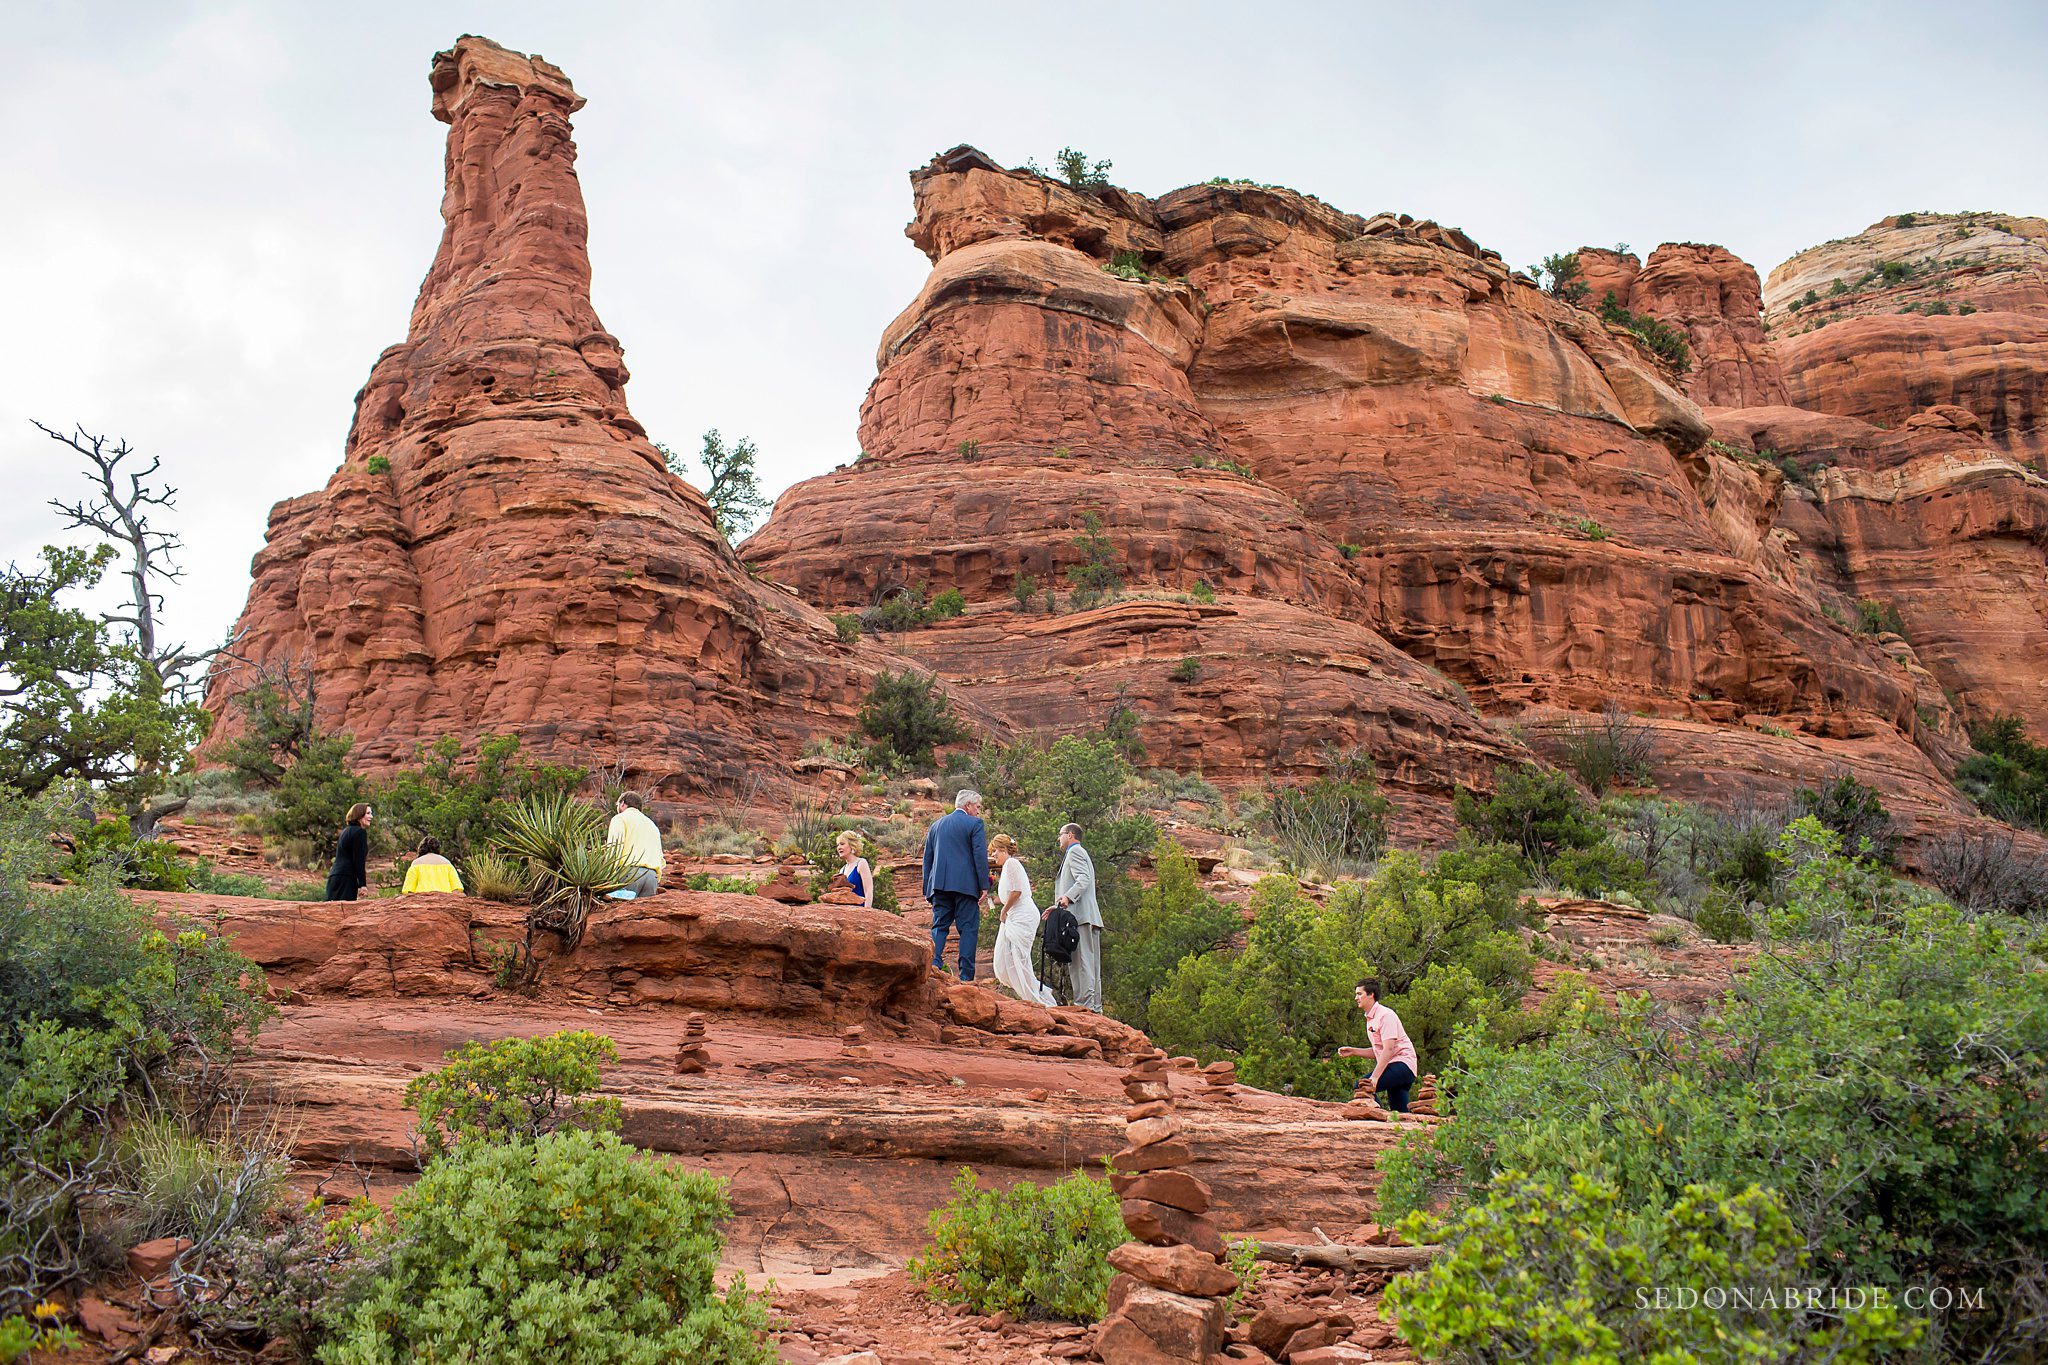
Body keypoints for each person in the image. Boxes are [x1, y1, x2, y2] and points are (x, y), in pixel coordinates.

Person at [922, 789, 989, 980]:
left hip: (940, 886)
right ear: (967, 805)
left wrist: (927, 889)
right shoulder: (974, 824)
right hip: (966, 886)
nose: (978, 811)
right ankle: (966, 977)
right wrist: (984, 885)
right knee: (968, 928)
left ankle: (933, 965)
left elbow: (928, 859)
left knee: (939, 926)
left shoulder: (936, 825)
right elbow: (979, 855)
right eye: (977, 807)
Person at [989, 835, 1056, 1006]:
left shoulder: (1011, 863)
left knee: (1018, 958)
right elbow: (1010, 893)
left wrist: (1004, 911)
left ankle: (1037, 1001)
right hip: (1015, 915)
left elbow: (1017, 891)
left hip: (1022, 915)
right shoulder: (1007, 867)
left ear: (1004, 849)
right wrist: (993, 900)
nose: (993, 854)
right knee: (1006, 959)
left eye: (995, 850)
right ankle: (1032, 997)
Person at [1337, 977, 1419, 1113]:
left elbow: (1389, 1049)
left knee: (1363, 1085)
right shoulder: (1370, 1018)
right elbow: (1378, 1051)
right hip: (1396, 1066)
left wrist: (1374, 1078)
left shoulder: (1385, 1015)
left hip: (1403, 1065)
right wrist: (1354, 1051)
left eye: (1359, 994)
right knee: (1399, 1113)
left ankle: (1376, 1115)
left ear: (1371, 995)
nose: (1356, 998)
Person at [1051, 823, 1104, 1012]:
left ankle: (1085, 1007)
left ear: (1070, 835)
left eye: (1060, 834)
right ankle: (1094, 1008)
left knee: (1082, 963)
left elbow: (1083, 879)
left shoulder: (1075, 852)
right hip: (1084, 916)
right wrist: (1058, 905)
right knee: (1088, 964)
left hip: (1081, 917)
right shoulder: (1077, 853)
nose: (1059, 838)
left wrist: (1067, 897)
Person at [607, 791, 664, 899]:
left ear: (622, 803)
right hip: (651, 877)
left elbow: (614, 848)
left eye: (617, 805)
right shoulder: (652, 825)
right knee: (644, 915)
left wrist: (607, 878)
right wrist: (657, 879)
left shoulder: (620, 819)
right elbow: (660, 857)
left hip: (629, 874)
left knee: (620, 913)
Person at [324, 803, 373, 901]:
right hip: (346, 879)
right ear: (359, 815)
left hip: (334, 877)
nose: (371, 816)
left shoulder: (345, 831)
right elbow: (358, 861)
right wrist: (362, 885)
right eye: (368, 813)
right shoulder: (360, 832)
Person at [835, 830, 875, 909]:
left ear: (852, 845)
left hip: (860, 911)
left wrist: (866, 911)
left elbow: (868, 890)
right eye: (838, 845)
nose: (839, 847)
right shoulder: (842, 870)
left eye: (842, 844)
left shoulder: (861, 863)